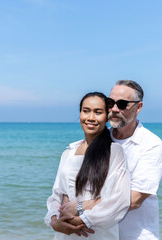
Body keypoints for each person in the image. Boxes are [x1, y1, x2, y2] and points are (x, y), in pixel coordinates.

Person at [59, 81, 162, 239]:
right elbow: (74, 184)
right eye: (110, 103)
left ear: (139, 107)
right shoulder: (97, 140)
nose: (114, 109)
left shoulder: (150, 144)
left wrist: (80, 208)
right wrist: (62, 217)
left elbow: (134, 199)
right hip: (100, 234)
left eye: (122, 104)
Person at [44, 92, 131, 239]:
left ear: (107, 116)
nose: (90, 118)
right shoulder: (69, 152)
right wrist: (54, 221)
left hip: (98, 234)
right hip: (65, 234)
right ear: (80, 114)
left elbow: (119, 200)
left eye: (98, 112)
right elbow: (56, 195)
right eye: (86, 111)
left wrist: (82, 220)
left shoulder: (114, 151)